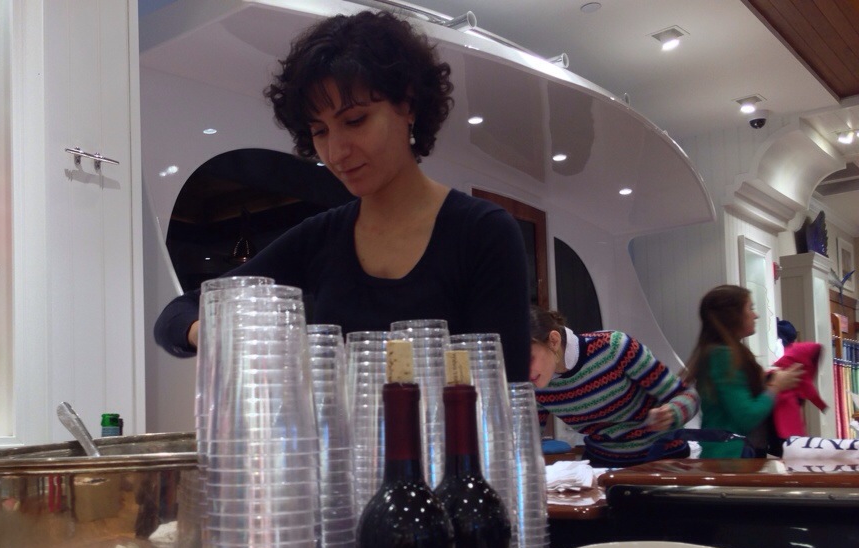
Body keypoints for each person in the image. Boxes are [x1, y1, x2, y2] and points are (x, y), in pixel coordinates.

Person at [153, 10, 531, 382]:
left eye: (355, 121)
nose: (336, 152)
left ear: (408, 105)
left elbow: (506, 393)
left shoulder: (482, 233)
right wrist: (211, 332)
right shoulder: (322, 237)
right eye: (320, 131)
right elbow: (181, 312)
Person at [528, 305, 700, 467]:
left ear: (554, 341)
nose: (525, 371)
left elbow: (688, 396)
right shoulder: (534, 385)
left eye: (529, 358)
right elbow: (527, 439)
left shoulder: (613, 347)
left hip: (661, 457)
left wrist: (672, 412)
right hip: (604, 463)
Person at [682, 285, 804, 458]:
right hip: (729, 459)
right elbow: (747, 416)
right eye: (750, 308)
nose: (756, 315)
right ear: (733, 315)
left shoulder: (724, 353)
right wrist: (776, 386)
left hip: (731, 457)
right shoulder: (723, 356)